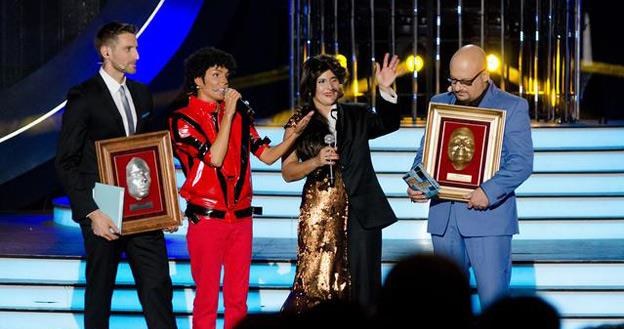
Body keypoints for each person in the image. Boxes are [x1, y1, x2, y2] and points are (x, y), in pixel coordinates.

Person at [168, 47, 312, 329]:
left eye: (226, 75)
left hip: (241, 218)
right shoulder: (182, 119)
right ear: (198, 80)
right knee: (207, 299)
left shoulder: (238, 115)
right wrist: (229, 113)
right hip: (207, 219)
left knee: (238, 299)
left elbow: (267, 155)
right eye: (216, 74)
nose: (224, 81)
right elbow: (215, 158)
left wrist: (293, 136)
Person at [55, 22, 177, 329]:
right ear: (106, 52)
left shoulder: (141, 94)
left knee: (157, 286)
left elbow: (149, 154)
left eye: (136, 47)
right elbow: (66, 161)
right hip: (102, 204)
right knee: (100, 290)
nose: (137, 54)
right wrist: (92, 212)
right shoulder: (83, 96)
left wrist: (165, 207)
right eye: (129, 48)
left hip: (143, 207)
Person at [408, 44, 534, 309]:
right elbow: (426, 154)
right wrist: (418, 183)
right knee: (446, 303)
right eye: (452, 80)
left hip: (488, 219)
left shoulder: (512, 106)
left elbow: (521, 162)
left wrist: (488, 191)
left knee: (494, 303)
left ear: (485, 75)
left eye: (465, 81)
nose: (457, 87)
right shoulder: (439, 103)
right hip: (444, 217)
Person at [281, 53, 400, 313]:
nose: (329, 87)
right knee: (317, 280)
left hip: (361, 212)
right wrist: (315, 161)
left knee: (365, 285)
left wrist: (385, 88)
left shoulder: (357, 114)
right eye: (322, 81)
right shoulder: (299, 123)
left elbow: (389, 124)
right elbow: (288, 171)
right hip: (320, 213)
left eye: (334, 80)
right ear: (311, 85)